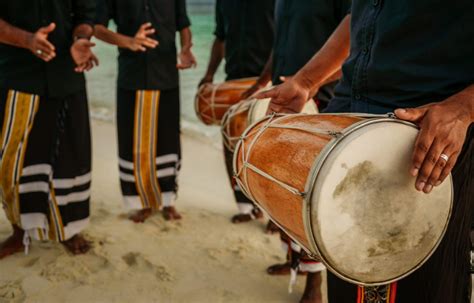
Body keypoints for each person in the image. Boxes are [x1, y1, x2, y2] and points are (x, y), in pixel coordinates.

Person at [257, 1, 474, 302]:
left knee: (424, 289)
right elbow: (360, 15)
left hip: (430, 137)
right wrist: (305, 81)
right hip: (351, 124)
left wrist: (464, 107)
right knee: (347, 279)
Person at [245, 1, 350, 302]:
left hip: (323, 102)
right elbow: (279, 44)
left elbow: (358, 45)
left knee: (309, 195)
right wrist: (262, 79)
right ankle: (296, 263)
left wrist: (308, 80)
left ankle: (314, 284)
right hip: (286, 101)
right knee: (285, 190)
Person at [0, 0, 98, 258]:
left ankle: (68, 230)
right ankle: (19, 231)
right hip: (16, 75)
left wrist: (80, 39)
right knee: (12, 162)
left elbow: (86, 15)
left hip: (68, 73)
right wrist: (27, 40)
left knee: (70, 159)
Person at [95, 0, 197, 223]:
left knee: (168, 142)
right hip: (131, 78)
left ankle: (168, 201)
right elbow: (97, 28)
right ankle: (143, 201)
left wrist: (186, 49)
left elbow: (184, 25)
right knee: (135, 144)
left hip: (167, 77)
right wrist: (128, 41)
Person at [199, 0, 275, 224]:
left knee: (268, 152)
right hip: (234, 81)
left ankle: (272, 213)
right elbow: (220, 37)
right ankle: (245, 207)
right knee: (232, 147)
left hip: (268, 83)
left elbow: (284, 41)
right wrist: (209, 74)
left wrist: (265, 81)